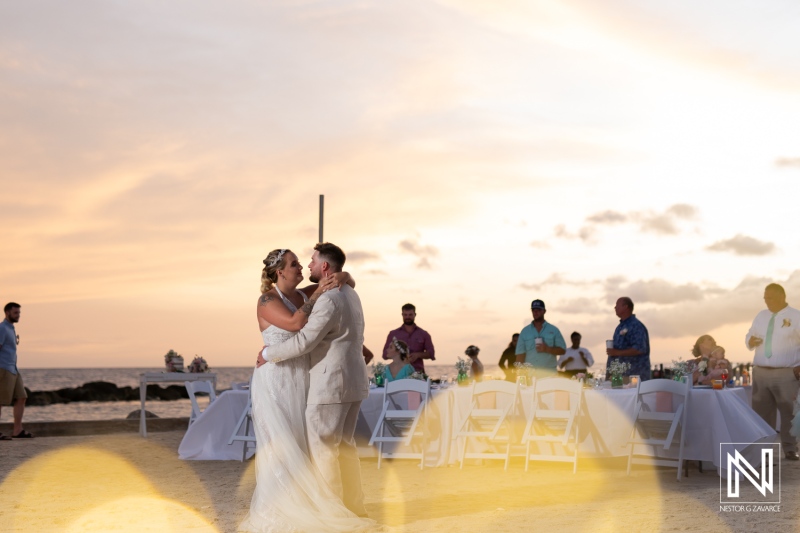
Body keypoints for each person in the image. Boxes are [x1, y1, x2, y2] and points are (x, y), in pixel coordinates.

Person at [241, 246, 374, 532]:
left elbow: (341, 280)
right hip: (276, 376)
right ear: (280, 272)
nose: (302, 267)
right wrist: (268, 354)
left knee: (311, 443)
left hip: (307, 375)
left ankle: (329, 505)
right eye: (294, 264)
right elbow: (295, 322)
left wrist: (345, 273)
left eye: (306, 263)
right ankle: (305, 504)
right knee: (285, 441)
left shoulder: (305, 294)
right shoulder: (267, 300)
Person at [746, 283, 800, 461]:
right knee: (761, 414)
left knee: (788, 412)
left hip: (786, 373)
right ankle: (763, 451)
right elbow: (749, 335)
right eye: (765, 297)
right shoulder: (761, 316)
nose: (766, 301)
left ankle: (790, 448)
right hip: (761, 372)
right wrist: (750, 341)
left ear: (782, 296)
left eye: (770, 297)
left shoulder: (796, 316)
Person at [1, 302, 31, 440]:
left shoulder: (11, 328)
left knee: (21, 397)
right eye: (15, 313)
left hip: (13, 368)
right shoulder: (2, 328)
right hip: (3, 368)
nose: (18, 315)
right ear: (7, 313)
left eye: (19, 313)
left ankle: (17, 431)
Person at [515, 299, 566, 377]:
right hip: (529, 376)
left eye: (538, 310)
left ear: (544, 311)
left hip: (550, 376)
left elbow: (563, 350)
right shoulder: (525, 331)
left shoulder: (554, 330)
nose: (535, 312)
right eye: (533, 310)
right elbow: (520, 355)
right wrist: (519, 375)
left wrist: (547, 349)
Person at [605, 297, 651, 381]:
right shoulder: (620, 326)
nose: (615, 308)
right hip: (621, 376)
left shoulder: (636, 326)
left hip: (633, 377)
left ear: (626, 307)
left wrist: (616, 352)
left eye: (617, 305)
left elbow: (639, 349)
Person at [382, 303, 435, 373]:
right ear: (402, 315)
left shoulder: (424, 334)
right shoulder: (393, 334)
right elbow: (385, 355)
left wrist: (418, 355)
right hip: (397, 373)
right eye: (405, 315)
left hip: (418, 372)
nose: (407, 317)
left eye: (410, 315)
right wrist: (400, 355)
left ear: (415, 315)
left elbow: (431, 353)